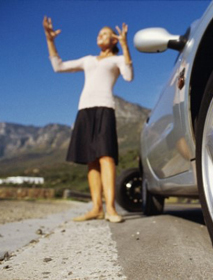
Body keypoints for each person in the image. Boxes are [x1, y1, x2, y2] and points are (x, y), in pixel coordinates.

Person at [43, 16, 133, 223]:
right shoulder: (88, 60)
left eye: (105, 34)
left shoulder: (117, 59)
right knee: (90, 160)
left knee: (106, 157)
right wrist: (50, 40)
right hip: (84, 110)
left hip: (105, 108)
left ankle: (110, 208)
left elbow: (128, 75)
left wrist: (125, 45)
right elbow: (58, 66)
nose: (99, 36)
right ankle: (96, 208)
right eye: (99, 34)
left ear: (113, 41)